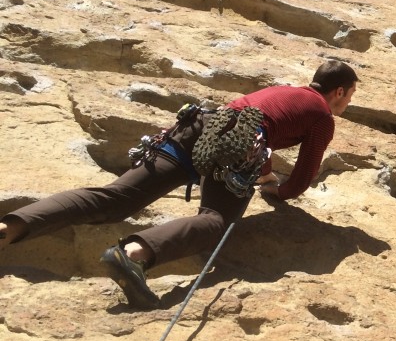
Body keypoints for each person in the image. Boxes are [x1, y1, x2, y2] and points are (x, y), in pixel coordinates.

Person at [0, 60, 358, 309]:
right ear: (339, 91)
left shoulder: (282, 91)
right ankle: (132, 255)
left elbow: (255, 124)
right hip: (233, 149)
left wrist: (264, 172)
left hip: (200, 128)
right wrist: (276, 190)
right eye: (351, 95)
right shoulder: (322, 116)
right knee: (215, 220)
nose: (349, 103)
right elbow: (301, 177)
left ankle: (9, 227)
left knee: (117, 197)